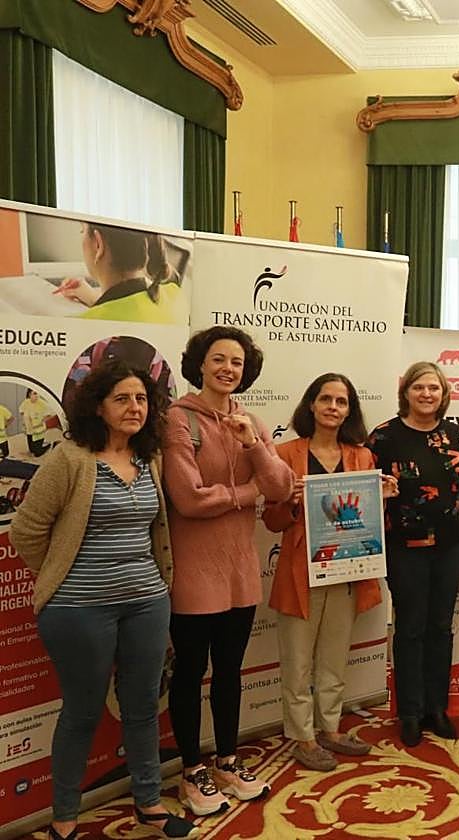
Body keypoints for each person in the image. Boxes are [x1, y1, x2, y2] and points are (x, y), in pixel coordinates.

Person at [11, 362, 198, 840]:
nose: (134, 408)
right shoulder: (70, 459)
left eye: (141, 399)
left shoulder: (148, 458)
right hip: (78, 610)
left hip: (147, 603)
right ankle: (65, 819)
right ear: (99, 406)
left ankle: (150, 803)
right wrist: (63, 577)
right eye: (122, 399)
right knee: (83, 712)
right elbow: (26, 531)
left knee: (142, 708)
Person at [163, 326, 294, 816]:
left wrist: (255, 447)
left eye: (236, 363)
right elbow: (188, 499)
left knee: (230, 672)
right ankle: (191, 768)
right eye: (219, 359)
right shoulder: (177, 420)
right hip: (195, 572)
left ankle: (226, 759)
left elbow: (280, 487)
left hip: (240, 570)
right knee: (191, 672)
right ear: (200, 363)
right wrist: (246, 494)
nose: (227, 369)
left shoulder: (251, 421)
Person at [263, 374, 398, 771]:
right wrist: (288, 500)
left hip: (346, 571)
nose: (333, 407)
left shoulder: (362, 456)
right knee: (298, 661)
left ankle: (331, 729)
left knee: (334, 659)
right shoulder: (285, 454)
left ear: (349, 410)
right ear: (311, 405)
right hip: (299, 572)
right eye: (326, 399)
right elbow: (271, 520)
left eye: (341, 401)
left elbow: (364, 519)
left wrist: (383, 497)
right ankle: (302, 737)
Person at [368, 362, 459, 748]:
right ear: (406, 392)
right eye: (419, 388)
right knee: (410, 627)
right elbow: (365, 491)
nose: (427, 394)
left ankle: (436, 709)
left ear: (444, 394)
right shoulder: (382, 438)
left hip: (449, 547)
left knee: (440, 627)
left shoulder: (457, 436)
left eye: (434, 388)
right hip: (404, 548)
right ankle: (409, 712)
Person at [55, 223, 184, 323]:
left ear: (98, 245)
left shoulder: (87, 325)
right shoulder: (176, 296)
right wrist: (93, 298)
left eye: (82, 231)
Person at [20, 389, 51, 457]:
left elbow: (49, 414)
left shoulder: (42, 403)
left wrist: (41, 421)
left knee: (37, 453)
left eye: (37, 393)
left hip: (38, 430)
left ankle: (48, 446)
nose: (37, 395)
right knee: (31, 450)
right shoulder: (26, 402)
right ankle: (41, 445)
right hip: (29, 430)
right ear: (29, 394)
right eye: (34, 393)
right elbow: (21, 411)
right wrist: (25, 421)